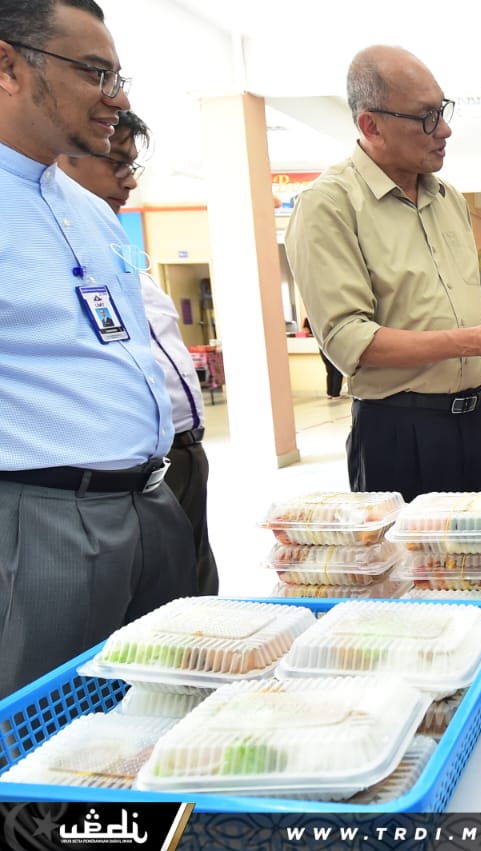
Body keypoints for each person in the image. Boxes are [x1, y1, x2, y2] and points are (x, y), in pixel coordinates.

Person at [0, 0, 196, 697]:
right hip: (45, 520)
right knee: (50, 733)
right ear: (8, 66)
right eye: (94, 73)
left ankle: (155, 817)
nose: (116, 98)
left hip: (149, 500)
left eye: (119, 76)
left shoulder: (86, 206)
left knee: (159, 711)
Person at [285, 45, 481, 500]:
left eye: (443, 110)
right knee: (412, 570)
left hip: (478, 423)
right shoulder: (329, 205)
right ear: (371, 125)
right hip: (400, 433)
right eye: (426, 116)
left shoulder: (448, 199)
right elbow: (351, 341)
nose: (444, 129)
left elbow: (446, 317)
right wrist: (474, 340)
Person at [59, 109, 219, 596]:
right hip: (121, 472)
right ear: (63, 159)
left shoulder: (119, 251)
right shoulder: (52, 252)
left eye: (134, 167)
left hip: (182, 452)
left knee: (195, 590)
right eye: (117, 163)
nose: (129, 181)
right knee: (151, 610)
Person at [302, 317, 344, 398]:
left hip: (322, 348)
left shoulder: (313, 319)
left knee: (330, 371)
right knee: (337, 371)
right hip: (331, 348)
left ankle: (330, 393)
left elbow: (305, 330)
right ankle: (335, 394)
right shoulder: (330, 319)